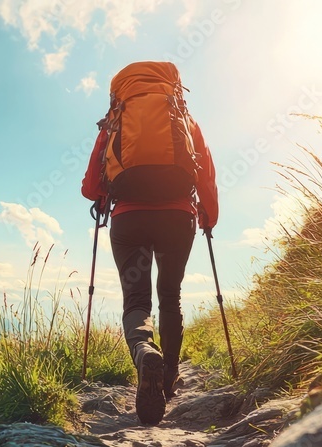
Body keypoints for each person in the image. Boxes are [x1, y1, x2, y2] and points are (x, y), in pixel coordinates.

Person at [81, 61, 219, 426]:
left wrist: (104, 193)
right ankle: (169, 378)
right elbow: (205, 171)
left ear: (118, 93)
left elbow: (90, 186)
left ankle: (144, 351)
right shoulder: (184, 121)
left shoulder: (114, 122)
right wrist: (209, 215)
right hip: (177, 218)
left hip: (129, 219)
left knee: (137, 301)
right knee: (169, 295)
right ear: (174, 87)